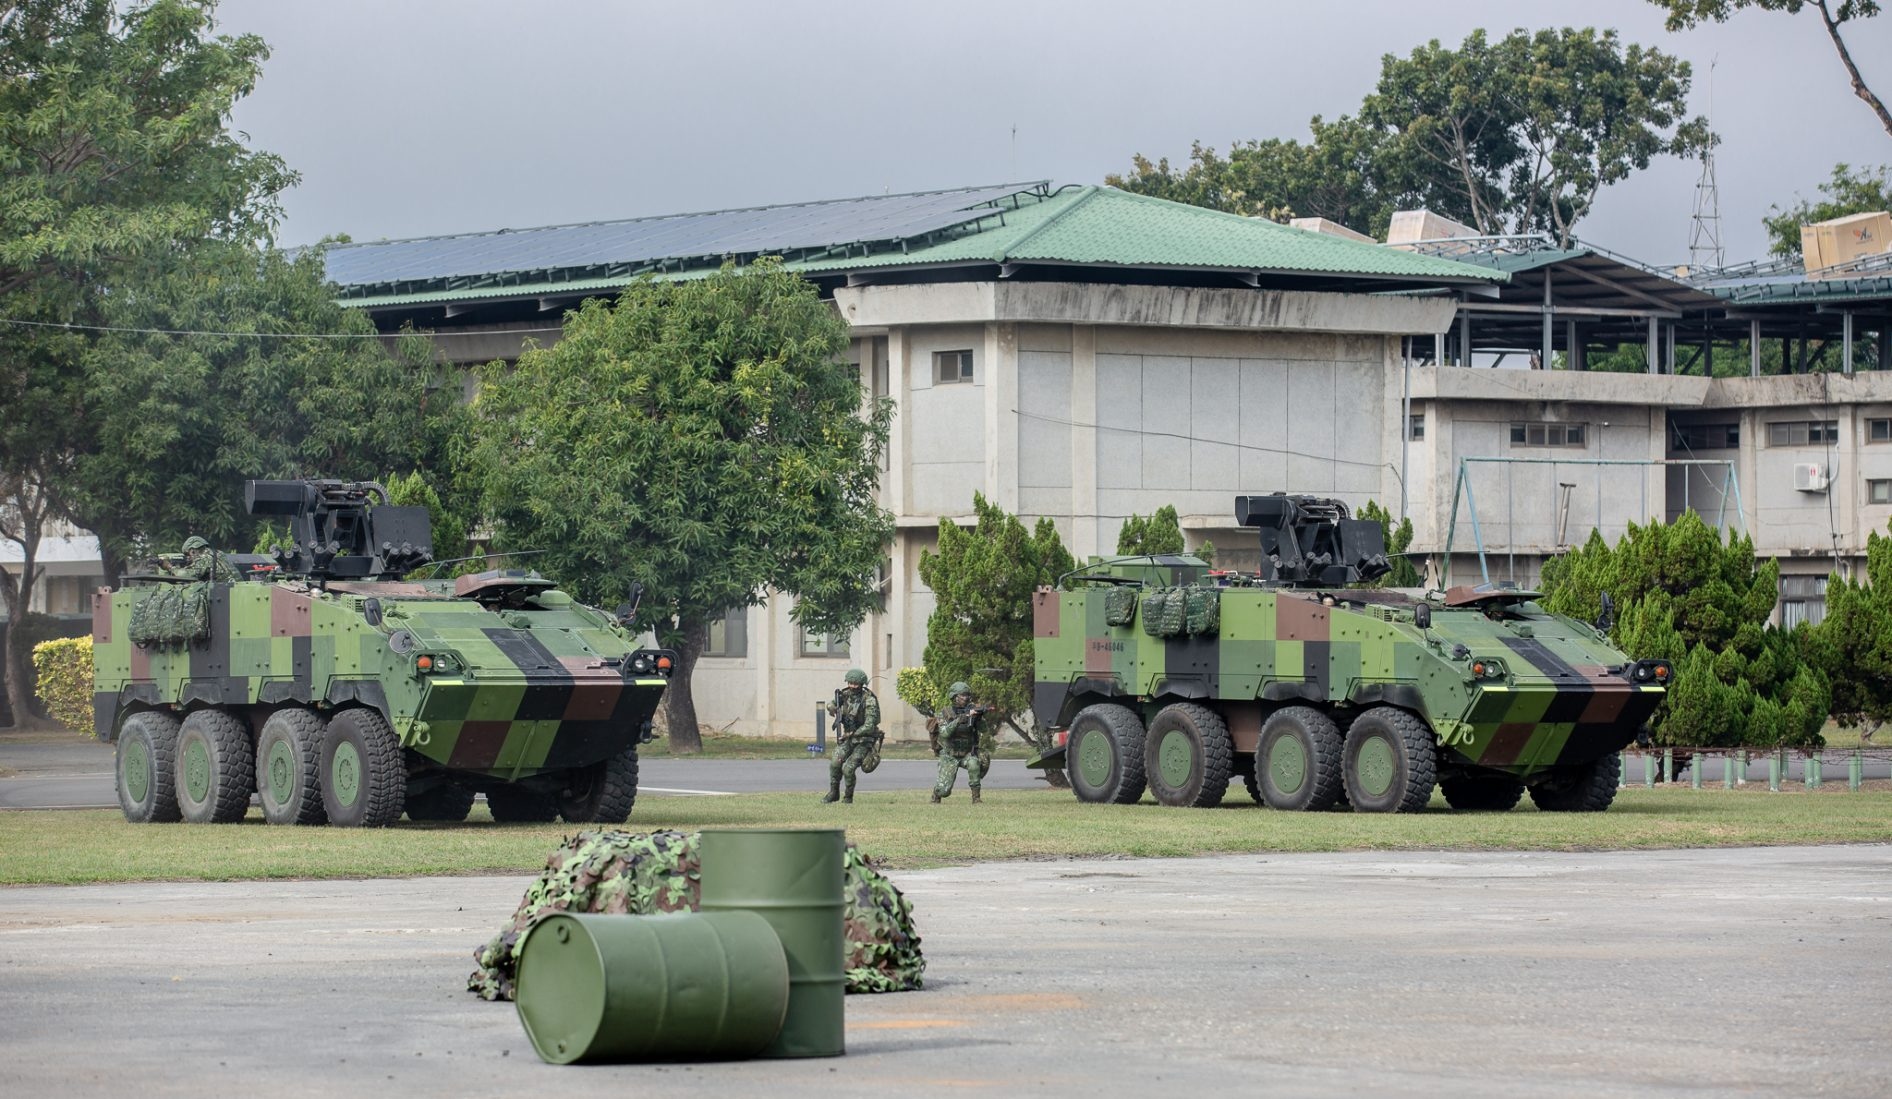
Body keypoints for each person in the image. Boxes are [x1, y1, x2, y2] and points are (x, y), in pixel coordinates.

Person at [821, 667, 880, 804]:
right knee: (835, 763)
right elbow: (831, 703)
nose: (852, 686)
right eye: (850, 683)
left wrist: (852, 734)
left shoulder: (869, 700)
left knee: (848, 768)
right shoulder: (844, 695)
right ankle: (833, 792)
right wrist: (832, 708)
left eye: (855, 684)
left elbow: (869, 725)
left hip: (864, 740)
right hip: (848, 739)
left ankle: (848, 797)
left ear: (861, 684)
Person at [931, 681, 989, 804]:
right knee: (944, 791)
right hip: (949, 755)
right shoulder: (944, 713)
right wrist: (958, 720)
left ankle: (976, 798)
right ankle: (936, 794)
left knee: (974, 764)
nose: (966, 697)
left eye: (968, 695)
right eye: (963, 695)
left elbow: (985, 730)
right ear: (954, 697)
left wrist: (979, 719)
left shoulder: (971, 711)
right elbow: (944, 733)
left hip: (966, 753)